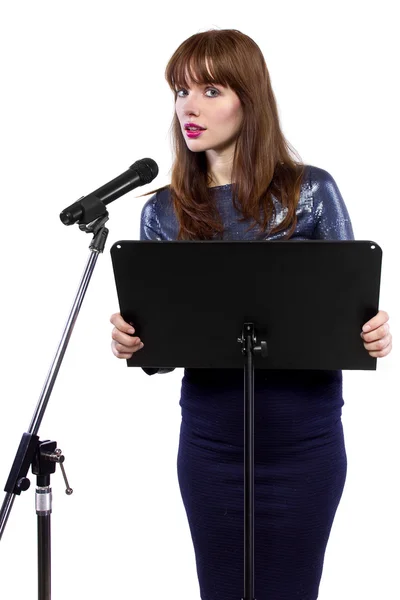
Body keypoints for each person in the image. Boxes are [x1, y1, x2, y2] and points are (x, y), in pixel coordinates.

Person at [110, 29, 392, 600]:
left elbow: (347, 317)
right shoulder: (163, 212)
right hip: (212, 446)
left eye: (210, 90)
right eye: (180, 91)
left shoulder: (311, 192)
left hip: (303, 443)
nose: (189, 107)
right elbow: (160, 357)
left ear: (250, 97)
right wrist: (134, 343)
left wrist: (373, 330)